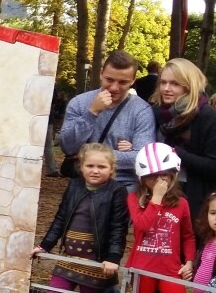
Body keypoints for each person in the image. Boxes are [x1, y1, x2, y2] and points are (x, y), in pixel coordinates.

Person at [31, 143, 128, 293]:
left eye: (101, 167)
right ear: (81, 166)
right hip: (70, 256)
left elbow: (118, 228)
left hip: (95, 259)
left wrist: (113, 257)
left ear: (111, 169)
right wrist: (45, 245)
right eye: (90, 165)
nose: (95, 170)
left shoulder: (117, 191)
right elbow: (60, 218)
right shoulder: (74, 186)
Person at [127, 143, 195, 293]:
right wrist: (155, 198)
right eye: (154, 177)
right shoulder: (134, 198)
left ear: (174, 176)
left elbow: (188, 236)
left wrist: (189, 261)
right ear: (143, 177)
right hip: (142, 267)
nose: (161, 182)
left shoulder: (182, 203)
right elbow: (142, 225)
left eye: (165, 177)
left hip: (169, 269)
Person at [58, 50, 156, 191]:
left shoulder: (142, 110)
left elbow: (141, 157)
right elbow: (68, 146)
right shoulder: (79, 103)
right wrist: (91, 113)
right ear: (101, 73)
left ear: (133, 80)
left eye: (123, 82)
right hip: (83, 185)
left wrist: (88, 156)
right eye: (109, 80)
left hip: (123, 187)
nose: (114, 87)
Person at [150, 57, 216, 219]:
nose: (167, 88)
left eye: (175, 84)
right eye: (163, 82)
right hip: (160, 195)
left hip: (194, 200)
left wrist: (175, 154)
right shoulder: (156, 114)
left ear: (189, 86)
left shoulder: (206, 115)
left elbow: (215, 165)